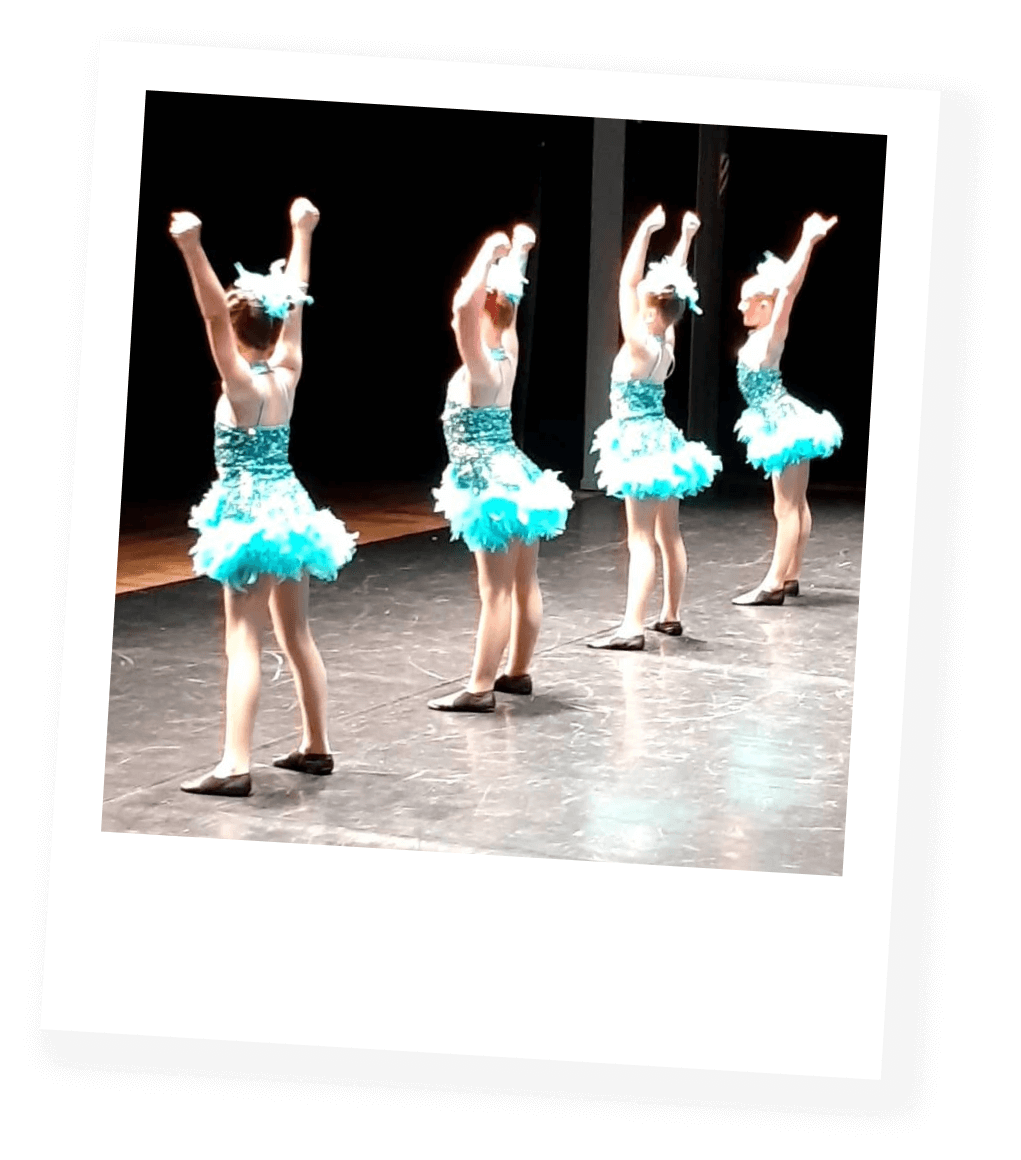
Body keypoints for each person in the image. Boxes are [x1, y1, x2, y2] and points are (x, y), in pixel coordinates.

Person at [169, 198, 357, 796]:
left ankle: (235, 763)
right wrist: (303, 233)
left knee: (243, 637)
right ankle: (317, 745)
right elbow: (297, 299)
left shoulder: (244, 384)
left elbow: (209, 317)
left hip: (250, 517)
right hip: (294, 513)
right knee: (296, 633)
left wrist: (193, 248)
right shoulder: (287, 369)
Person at [429, 225, 573, 712]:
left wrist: (488, 253)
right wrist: (523, 252)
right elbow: (505, 305)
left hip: (489, 486)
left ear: (487, 305)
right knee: (524, 582)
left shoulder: (480, 364)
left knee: (495, 591)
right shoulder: (507, 348)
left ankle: (480, 687)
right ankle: (518, 672)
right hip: (519, 477)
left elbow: (460, 310)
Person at [588, 206, 722, 651]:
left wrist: (645, 231)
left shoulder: (642, 344)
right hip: (664, 440)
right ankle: (670, 615)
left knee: (641, 538)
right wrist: (684, 238)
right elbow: (673, 284)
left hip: (640, 444)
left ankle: (632, 627)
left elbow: (626, 282)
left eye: (644, 298)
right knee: (669, 533)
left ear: (648, 311)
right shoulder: (667, 341)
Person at [731, 212, 841, 606]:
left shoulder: (771, 335)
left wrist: (807, 241)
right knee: (795, 501)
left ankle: (774, 582)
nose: (740, 305)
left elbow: (789, 290)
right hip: (778, 419)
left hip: (782, 423)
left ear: (764, 305)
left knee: (787, 504)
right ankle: (791, 573)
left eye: (748, 300)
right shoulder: (758, 338)